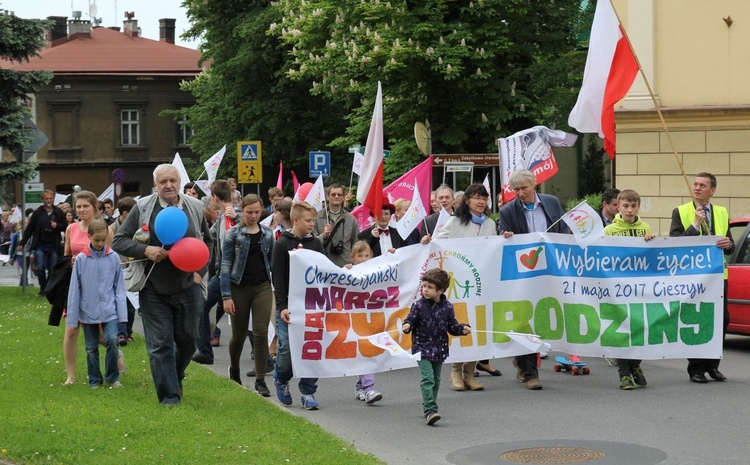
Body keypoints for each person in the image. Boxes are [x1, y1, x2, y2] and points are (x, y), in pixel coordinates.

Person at [112, 164, 213, 406]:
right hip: (153, 289)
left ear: (180, 182)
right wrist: (145, 249)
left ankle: (175, 375)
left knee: (189, 340)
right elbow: (118, 240)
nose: (168, 185)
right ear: (155, 185)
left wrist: (199, 273)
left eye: (173, 180)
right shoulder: (144, 207)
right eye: (163, 181)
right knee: (160, 346)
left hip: (189, 288)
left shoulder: (195, 207)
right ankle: (170, 398)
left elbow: (208, 243)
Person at [497, 169, 568, 390]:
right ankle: (530, 373)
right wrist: (505, 236)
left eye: (524, 188)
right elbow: (504, 237)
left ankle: (521, 358)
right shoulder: (508, 210)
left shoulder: (552, 202)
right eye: (516, 189)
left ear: (534, 185)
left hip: (551, 268)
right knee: (525, 316)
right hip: (524, 271)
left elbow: (562, 230)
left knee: (545, 314)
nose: (520, 193)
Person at [429, 183, 502, 391]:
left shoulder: (490, 224)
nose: (481, 202)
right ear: (467, 200)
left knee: (477, 326)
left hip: (483, 283)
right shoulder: (454, 223)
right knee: (461, 324)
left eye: (484, 198)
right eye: (477, 197)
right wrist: (428, 241)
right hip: (461, 283)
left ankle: (470, 373)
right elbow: (438, 244)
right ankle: (456, 371)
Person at [669, 172, 734, 384]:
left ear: (712, 190)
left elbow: (730, 244)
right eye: (695, 184)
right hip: (693, 277)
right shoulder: (681, 212)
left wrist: (729, 245)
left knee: (721, 320)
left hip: (717, 277)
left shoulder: (722, 213)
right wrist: (695, 225)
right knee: (697, 319)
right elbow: (675, 244)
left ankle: (712, 365)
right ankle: (695, 368)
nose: (697, 188)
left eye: (702, 185)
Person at [272, 201, 325, 409]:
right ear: (296, 220)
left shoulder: (316, 244)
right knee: (286, 349)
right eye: (308, 220)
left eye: (313, 220)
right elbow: (278, 278)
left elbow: (325, 271)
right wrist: (282, 306)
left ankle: (308, 391)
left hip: (312, 306)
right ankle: (282, 378)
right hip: (289, 308)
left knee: (312, 348)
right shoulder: (282, 244)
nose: (312, 224)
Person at [220, 194, 275, 396]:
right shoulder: (233, 234)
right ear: (241, 210)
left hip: (262, 286)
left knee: (261, 333)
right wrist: (226, 296)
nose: (253, 216)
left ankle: (260, 380)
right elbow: (225, 266)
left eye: (257, 212)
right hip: (238, 287)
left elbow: (271, 262)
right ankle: (234, 369)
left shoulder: (268, 234)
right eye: (249, 212)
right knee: (239, 334)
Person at [402, 268, 472, 426]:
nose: (425, 289)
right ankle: (430, 409)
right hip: (421, 347)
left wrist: (462, 329)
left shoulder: (447, 307)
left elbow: (452, 327)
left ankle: (429, 404)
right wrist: (407, 325)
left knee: (436, 380)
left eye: (429, 287)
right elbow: (410, 320)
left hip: (439, 348)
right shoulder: (418, 305)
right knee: (428, 378)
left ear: (440, 290)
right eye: (424, 286)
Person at [603, 189, 655, 390]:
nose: (630, 210)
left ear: (638, 207)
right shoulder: (609, 231)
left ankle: (635, 366)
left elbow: (651, 257)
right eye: (625, 206)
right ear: (618, 207)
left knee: (641, 329)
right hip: (618, 287)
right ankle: (624, 374)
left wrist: (651, 242)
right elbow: (604, 258)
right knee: (622, 329)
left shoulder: (645, 227)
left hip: (640, 288)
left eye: (634, 206)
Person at [62, 190, 115, 385]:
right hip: (76, 287)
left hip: (98, 288)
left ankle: (116, 357)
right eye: (78, 206)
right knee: (71, 330)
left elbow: (110, 260)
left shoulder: (106, 230)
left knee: (101, 333)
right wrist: (72, 261)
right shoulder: (71, 229)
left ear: (95, 208)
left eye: (86, 206)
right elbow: (66, 256)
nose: (82, 210)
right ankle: (71, 375)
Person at [67, 219, 127, 388]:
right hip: (88, 310)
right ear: (89, 237)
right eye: (97, 240)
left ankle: (112, 377)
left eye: (103, 240)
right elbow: (75, 289)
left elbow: (119, 287)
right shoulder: (81, 259)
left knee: (112, 339)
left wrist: (122, 313)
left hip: (109, 309)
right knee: (91, 347)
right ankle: (94, 380)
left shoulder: (113, 257)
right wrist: (73, 317)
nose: (100, 243)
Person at [193, 180, 240, 364]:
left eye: (209, 198)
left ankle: (265, 357)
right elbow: (208, 236)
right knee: (202, 307)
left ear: (214, 197)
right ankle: (205, 352)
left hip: (237, 276)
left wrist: (237, 218)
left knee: (244, 314)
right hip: (221, 275)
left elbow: (254, 230)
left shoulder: (237, 215)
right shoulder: (221, 218)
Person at [343, 241, 384, 404]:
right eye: (360, 256)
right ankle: (369, 388)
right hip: (356, 319)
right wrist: (345, 271)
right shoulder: (350, 271)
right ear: (353, 257)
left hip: (372, 317)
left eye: (367, 256)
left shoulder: (376, 270)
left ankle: (361, 386)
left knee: (367, 350)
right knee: (365, 350)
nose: (364, 259)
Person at [18, 190, 66, 295]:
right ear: (42, 199)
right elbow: (30, 229)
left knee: (52, 268)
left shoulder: (58, 212)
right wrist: (22, 243)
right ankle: (43, 288)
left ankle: (48, 289)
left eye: (50, 198)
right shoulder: (38, 213)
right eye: (46, 198)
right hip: (40, 244)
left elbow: (65, 225)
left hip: (54, 244)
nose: (48, 200)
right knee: (40, 268)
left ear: (53, 199)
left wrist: (57, 226)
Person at [109, 197, 137, 346]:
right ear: (125, 213)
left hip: (132, 269)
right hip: (117, 270)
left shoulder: (136, 228)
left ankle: (128, 332)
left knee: (131, 305)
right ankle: (121, 334)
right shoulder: (112, 229)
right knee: (118, 303)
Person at [313, 183, 359, 267]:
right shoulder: (316, 218)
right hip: (323, 267)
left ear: (343, 197)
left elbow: (357, 244)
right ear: (327, 197)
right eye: (333, 194)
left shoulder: (351, 219)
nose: (336, 196)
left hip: (346, 267)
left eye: (339, 194)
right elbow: (311, 242)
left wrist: (354, 263)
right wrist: (324, 236)